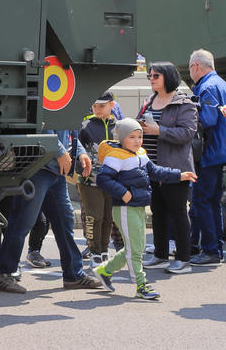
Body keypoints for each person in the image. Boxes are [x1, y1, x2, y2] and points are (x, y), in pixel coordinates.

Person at [94, 119, 197, 300]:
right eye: (132, 137)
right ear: (122, 138)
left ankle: (105, 271)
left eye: (140, 136)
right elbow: (103, 179)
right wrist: (123, 192)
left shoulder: (141, 153)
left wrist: (179, 175)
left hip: (139, 206)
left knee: (135, 248)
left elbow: (155, 171)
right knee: (134, 249)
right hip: (124, 208)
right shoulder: (116, 156)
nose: (137, 140)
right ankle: (141, 284)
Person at [0, 128, 102, 293]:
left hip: (54, 170)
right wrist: (61, 151)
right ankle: (2, 274)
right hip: (37, 169)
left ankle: (74, 274)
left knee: (64, 222)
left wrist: (80, 152)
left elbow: (68, 130)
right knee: (23, 222)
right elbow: (37, 128)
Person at [136, 62, 198, 273]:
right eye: (150, 76)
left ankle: (183, 259)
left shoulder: (184, 103)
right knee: (158, 212)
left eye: (156, 76)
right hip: (151, 168)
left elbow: (187, 134)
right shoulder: (149, 101)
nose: (151, 79)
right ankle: (161, 255)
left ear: (168, 77)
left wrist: (158, 130)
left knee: (179, 212)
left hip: (175, 169)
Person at [187, 49, 226, 265]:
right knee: (212, 201)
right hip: (219, 151)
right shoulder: (220, 83)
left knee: (202, 200)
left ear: (196, 67)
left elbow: (207, 120)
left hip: (209, 153)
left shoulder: (208, 87)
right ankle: (216, 248)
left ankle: (210, 250)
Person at [78, 91, 121, 267]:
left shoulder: (120, 127)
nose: (97, 109)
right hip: (90, 180)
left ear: (111, 105)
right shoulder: (85, 126)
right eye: (94, 106)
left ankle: (104, 251)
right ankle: (94, 252)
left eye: (101, 106)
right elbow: (76, 149)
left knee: (108, 217)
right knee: (93, 216)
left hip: (112, 180)